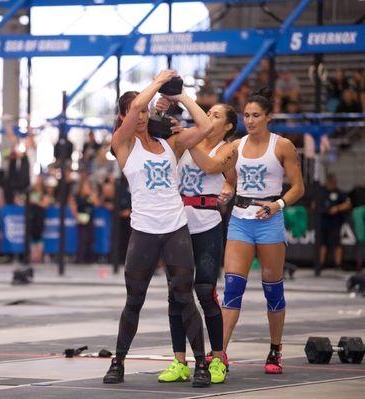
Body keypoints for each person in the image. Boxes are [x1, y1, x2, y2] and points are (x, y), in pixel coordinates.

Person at [102, 69, 214, 387]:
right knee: (134, 299)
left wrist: (179, 95)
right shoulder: (121, 145)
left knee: (184, 296)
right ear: (124, 117)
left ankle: (201, 365)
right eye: (134, 112)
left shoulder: (169, 144)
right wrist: (157, 81)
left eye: (144, 112)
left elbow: (206, 126)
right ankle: (118, 361)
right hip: (144, 230)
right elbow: (138, 106)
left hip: (175, 226)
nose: (141, 116)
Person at [188, 87, 305, 374]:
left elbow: (299, 188)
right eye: (247, 116)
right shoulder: (236, 146)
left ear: (268, 117)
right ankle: (220, 354)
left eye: (256, 116)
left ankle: (275, 349)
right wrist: (227, 190)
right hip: (240, 219)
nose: (250, 121)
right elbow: (224, 174)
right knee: (233, 289)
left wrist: (277, 204)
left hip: (269, 222)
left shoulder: (282, 146)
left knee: (272, 289)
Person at [157, 102, 238, 385]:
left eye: (215, 115)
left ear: (228, 125)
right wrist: (164, 107)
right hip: (178, 223)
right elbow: (160, 143)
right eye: (208, 113)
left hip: (207, 225)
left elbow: (216, 168)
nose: (209, 118)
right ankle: (179, 361)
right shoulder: (188, 138)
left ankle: (218, 358)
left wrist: (228, 188)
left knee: (205, 291)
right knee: (175, 294)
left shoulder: (228, 149)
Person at [315, 174, 352, 275]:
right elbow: (314, 204)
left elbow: (348, 204)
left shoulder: (339, 192)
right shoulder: (321, 192)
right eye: (331, 181)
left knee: (337, 244)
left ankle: (338, 264)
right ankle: (320, 264)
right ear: (327, 181)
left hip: (335, 222)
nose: (333, 183)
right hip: (322, 221)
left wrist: (337, 208)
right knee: (322, 244)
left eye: (334, 181)